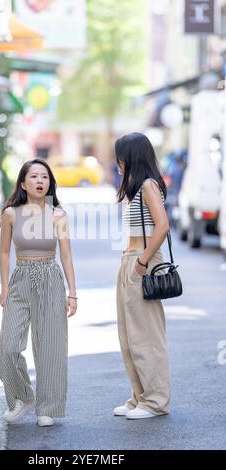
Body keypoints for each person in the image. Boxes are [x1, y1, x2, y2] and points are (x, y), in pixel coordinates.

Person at [0, 159, 77, 426]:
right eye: (34, 176)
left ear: (49, 183)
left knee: (51, 347)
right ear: (23, 183)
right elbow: (5, 252)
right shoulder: (10, 214)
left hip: (50, 279)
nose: (40, 181)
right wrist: (4, 287)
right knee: (8, 347)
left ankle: (47, 408)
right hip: (20, 278)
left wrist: (72, 293)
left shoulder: (58, 215)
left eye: (44, 177)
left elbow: (66, 255)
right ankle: (23, 397)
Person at [114, 132, 171, 420]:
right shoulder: (135, 188)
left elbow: (163, 226)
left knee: (146, 336)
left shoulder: (149, 185)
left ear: (133, 156)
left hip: (142, 261)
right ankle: (139, 397)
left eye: (121, 157)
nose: (118, 163)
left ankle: (156, 401)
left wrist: (142, 260)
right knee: (128, 336)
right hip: (130, 261)